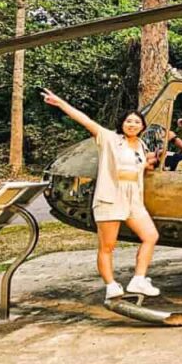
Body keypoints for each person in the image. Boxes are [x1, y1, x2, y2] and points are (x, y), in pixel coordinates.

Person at [41, 89, 161, 302]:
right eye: (128, 121)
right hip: (110, 197)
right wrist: (60, 103)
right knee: (107, 246)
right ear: (122, 124)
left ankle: (139, 279)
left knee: (150, 236)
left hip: (133, 198)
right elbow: (84, 120)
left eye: (136, 122)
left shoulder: (141, 146)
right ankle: (111, 285)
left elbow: (140, 167)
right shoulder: (109, 139)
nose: (132, 124)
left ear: (142, 126)